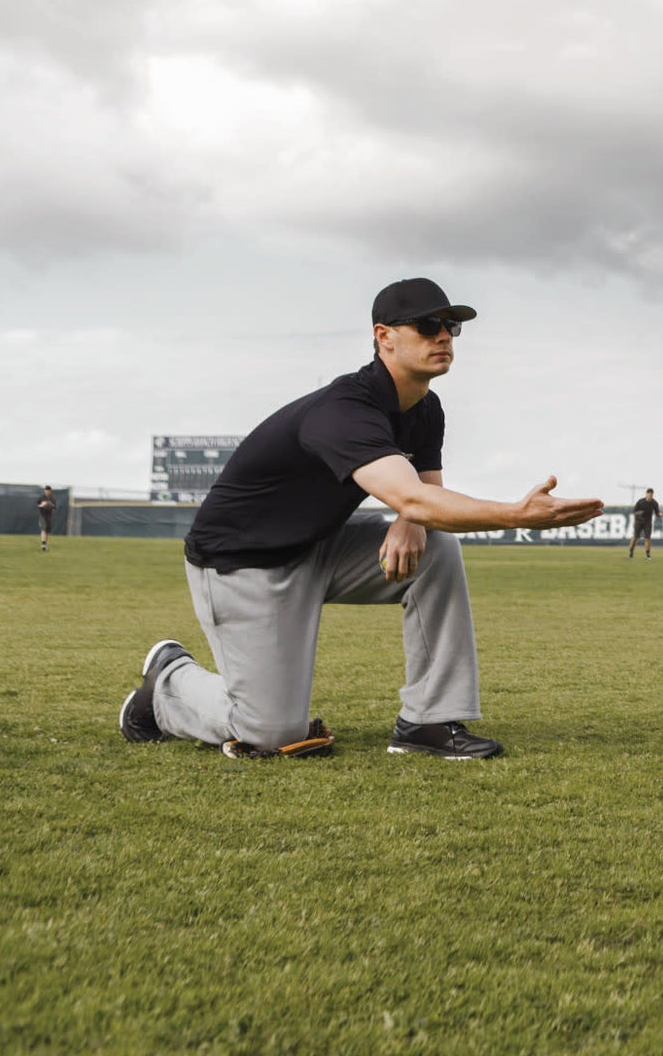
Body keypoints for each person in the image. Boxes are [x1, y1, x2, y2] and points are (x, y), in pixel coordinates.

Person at [116, 278, 604, 762]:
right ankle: (168, 681)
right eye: (428, 324)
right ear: (383, 336)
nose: (444, 336)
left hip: (319, 548)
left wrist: (411, 522)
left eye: (451, 326)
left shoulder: (425, 407)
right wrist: (515, 514)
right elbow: (413, 497)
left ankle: (427, 722)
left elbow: (424, 495)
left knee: (436, 549)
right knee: (269, 733)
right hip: (240, 564)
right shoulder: (344, 409)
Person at [628, 488, 662, 559]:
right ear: (646, 494)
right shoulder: (640, 502)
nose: (650, 496)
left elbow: (657, 512)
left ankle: (648, 554)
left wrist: (659, 514)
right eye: (649, 495)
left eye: (651, 495)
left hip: (648, 522)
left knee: (647, 538)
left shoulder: (654, 503)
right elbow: (634, 511)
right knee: (635, 537)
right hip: (639, 522)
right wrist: (639, 513)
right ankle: (631, 551)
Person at [36, 485, 56, 551]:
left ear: (50, 491)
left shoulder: (52, 498)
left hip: (49, 516)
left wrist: (50, 504)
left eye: (48, 491)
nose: (47, 492)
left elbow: (54, 507)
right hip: (43, 516)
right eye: (46, 490)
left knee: (47, 531)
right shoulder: (41, 497)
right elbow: (38, 505)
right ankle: (43, 545)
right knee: (43, 529)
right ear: (45, 491)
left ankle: (44, 544)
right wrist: (43, 504)